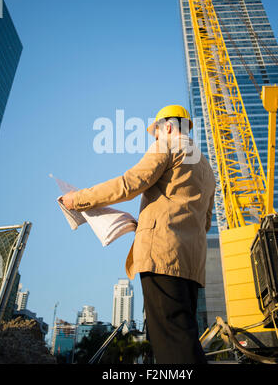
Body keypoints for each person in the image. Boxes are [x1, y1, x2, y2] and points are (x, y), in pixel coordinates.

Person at [61, 105, 216, 364]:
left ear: (167, 127)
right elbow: (206, 222)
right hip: (191, 266)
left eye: (156, 133)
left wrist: (78, 199)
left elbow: (129, 184)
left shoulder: (167, 146)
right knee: (181, 336)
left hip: (161, 257)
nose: (155, 138)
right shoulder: (207, 168)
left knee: (171, 344)